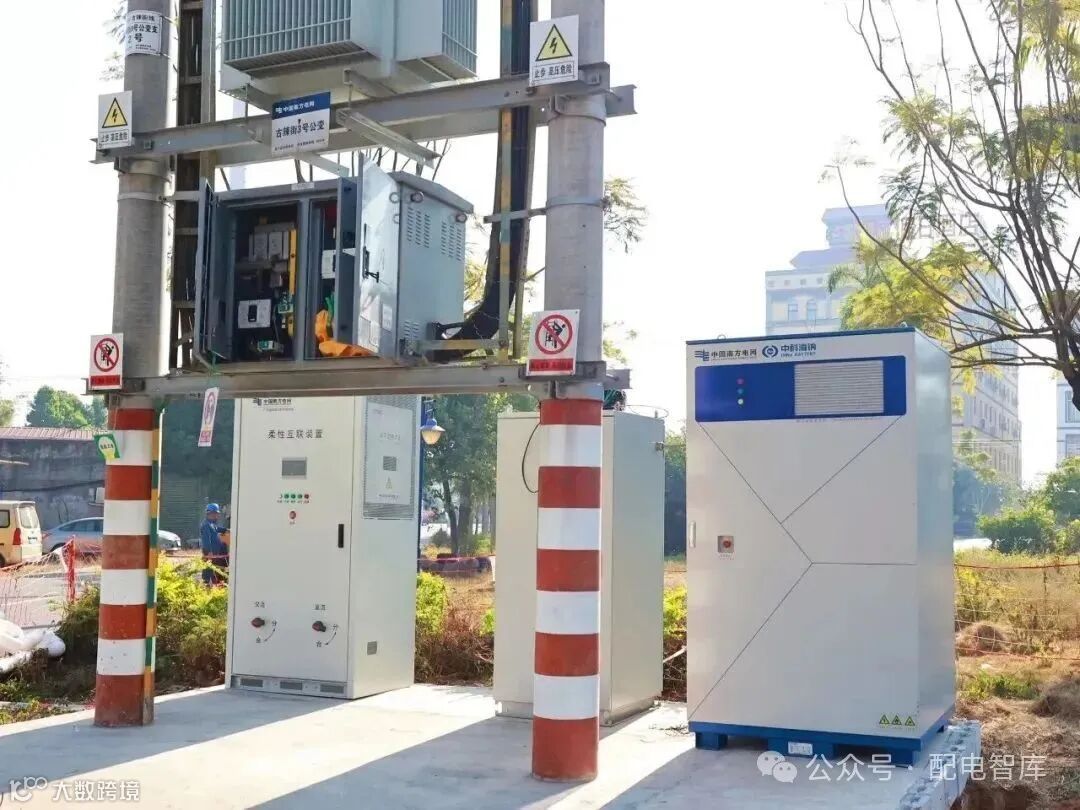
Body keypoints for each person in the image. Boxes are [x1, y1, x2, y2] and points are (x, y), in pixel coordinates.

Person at [199, 503, 229, 586]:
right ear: (211, 514)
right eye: (216, 514)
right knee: (209, 571)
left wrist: (226, 530)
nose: (217, 516)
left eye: (217, 514)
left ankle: (217, 585)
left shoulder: (212, 524)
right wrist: (209, 552)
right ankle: (207, 585)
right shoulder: (206, 525)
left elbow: (218, 529)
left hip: (215, 554)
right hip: (210, 553)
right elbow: (206, 540)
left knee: (216, 571)